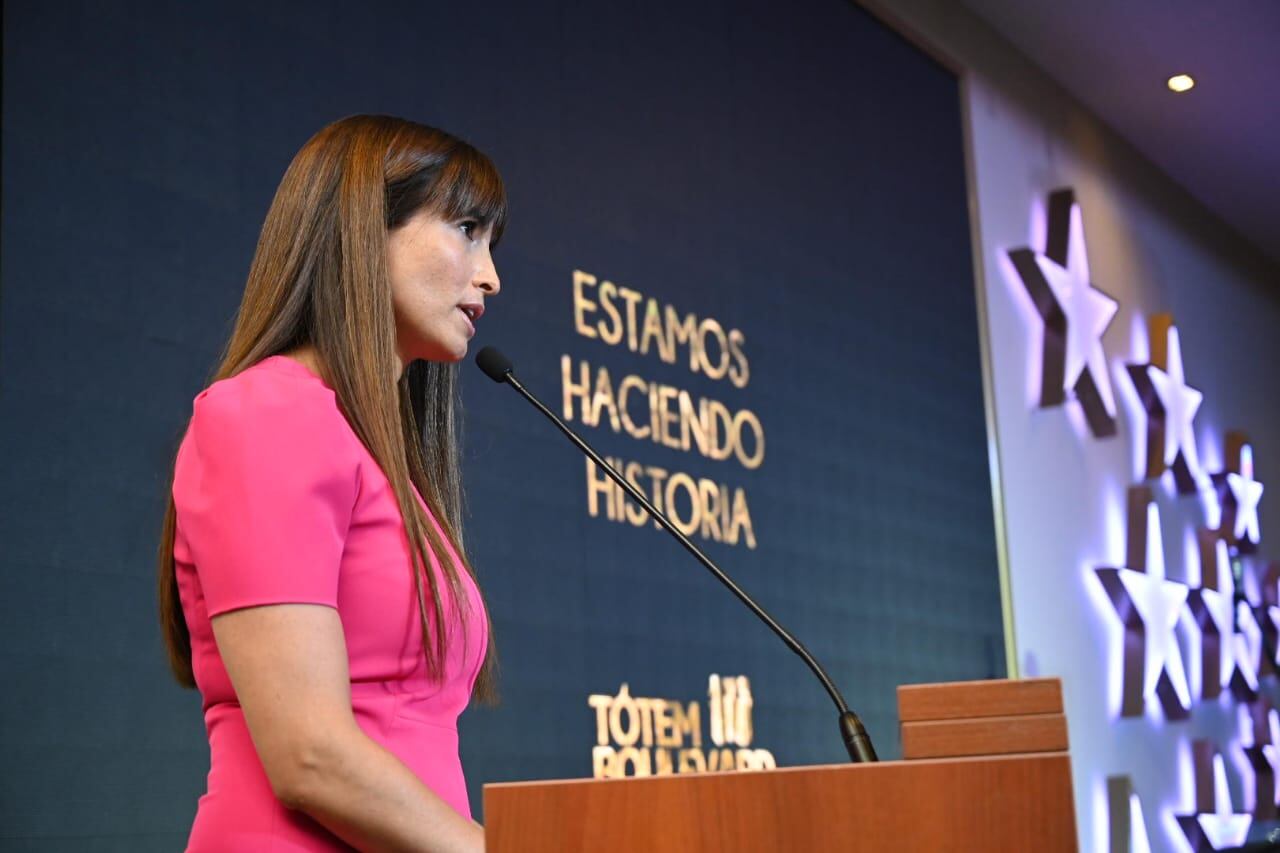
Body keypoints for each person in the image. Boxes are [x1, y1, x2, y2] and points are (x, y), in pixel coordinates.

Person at [155, 114, 504, 852]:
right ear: (362, 228)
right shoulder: (268, 411)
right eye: (468, 228)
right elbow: (310, 756)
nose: (490, 276)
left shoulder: (391, 466)